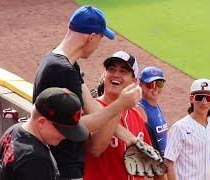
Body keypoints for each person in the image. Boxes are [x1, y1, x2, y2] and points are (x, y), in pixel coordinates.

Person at [32, 6, 142, 179]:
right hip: (62, 168)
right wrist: (120, 105)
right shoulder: (62, 70)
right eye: (100, 38)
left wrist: (131, 139)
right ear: (91, 37)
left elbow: (91, 106)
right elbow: (74, 125)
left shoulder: (66, 64)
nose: (99, 44)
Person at [83, 51, 153, 180]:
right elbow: (94, 149)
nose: (116, 74)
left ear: (134, 81)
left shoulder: (136, 117)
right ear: (104, 75)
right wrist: (121, 105)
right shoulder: (91, 110)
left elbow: (148, 163)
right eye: (111, 69)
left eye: (123, 71)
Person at [0, 87, 88, 180]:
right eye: (62, 130)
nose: (64, 136)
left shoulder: (13, 130)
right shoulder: (35, 161)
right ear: (41, 122)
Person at [164, 78, 210, 180]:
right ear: (191, 99)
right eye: (199, 97)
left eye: (208, 98)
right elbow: (168, 163)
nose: (204, 102)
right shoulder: (179, 128)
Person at [138, 66, 168, 156]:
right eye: (150, 84)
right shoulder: (140, 109)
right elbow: (141, 144)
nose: (155, 88)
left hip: (163, 161)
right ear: (141, 86)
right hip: (154, 164)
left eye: (159, 84)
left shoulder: (155, 106)